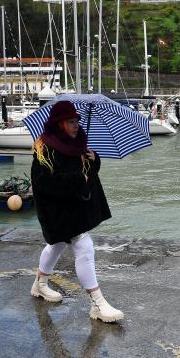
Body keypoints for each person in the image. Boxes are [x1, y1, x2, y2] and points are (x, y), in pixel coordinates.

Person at [29, 100, 124, 323]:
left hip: (74, 207)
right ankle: (98, 304)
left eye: (76, 121)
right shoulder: (45, 148)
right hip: (57, 210)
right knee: (84, 246)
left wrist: (94, 160)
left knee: (58, 244)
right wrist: (76, 178)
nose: (75, 125)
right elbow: (42, 182)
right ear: (59, 123)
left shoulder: (79, 142)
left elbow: (86, 173)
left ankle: (40, 285)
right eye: (71, 122)